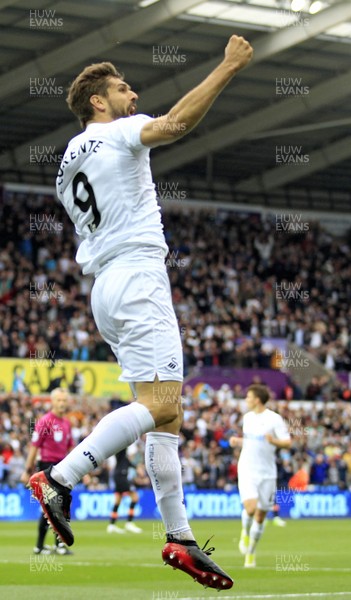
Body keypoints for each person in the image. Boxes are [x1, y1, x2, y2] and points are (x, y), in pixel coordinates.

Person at [29, 34, 253, 591]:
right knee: (160, 404)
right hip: (136, 276)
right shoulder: (119, 133)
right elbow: (176, 124)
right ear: (98, 102)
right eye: (123, 88)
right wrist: (226, 66)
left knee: (166, 417)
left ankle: (179, 539)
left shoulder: (65, 166)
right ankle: (61, 476)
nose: (134, 94)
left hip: (105, 286)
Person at [229, 384, 291, 567]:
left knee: (261, 514)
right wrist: (238, 441)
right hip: (247, 468)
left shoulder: (274, 419)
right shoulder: (247, 418)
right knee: (250, 508)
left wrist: (275, 441)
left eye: (248, 397)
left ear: (257, 399)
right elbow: (251, 441)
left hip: (267, 472)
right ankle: (245, 533)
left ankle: (252, 552)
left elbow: (287, 443)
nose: (246, 400)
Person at [21, 388, 74, 555]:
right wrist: (26, 470)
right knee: (50, 507)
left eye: (64, 400)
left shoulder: (66, 423)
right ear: (52, 401)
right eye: (59, 400)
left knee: (63, 505)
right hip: (46, 467)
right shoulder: (45, 421)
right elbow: (34, 447)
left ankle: (59, 545)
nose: (62, 403)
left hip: (62, 467)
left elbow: (70, 447)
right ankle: (39, 546)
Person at [107, 448, 143, 534]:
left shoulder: (125, 460)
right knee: (135, 497)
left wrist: (138, 469)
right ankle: (129, 523)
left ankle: (112, 525)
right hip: (121, 478)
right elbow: (122, 445)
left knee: (117, 501)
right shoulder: (121, 455)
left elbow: (132, 465)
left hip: (118, 477)